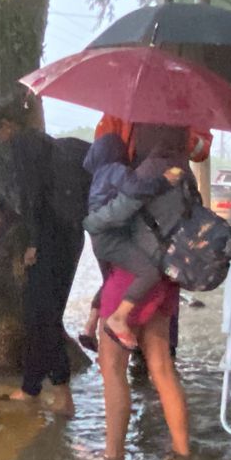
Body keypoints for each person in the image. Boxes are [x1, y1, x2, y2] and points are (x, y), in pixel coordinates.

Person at [85, 124, 195, 460]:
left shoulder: (145, 171)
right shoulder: (185, 174)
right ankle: (182, 452)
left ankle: (113, 456)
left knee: (112, 368)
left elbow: (119, 216)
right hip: (165, 277)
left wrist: (93, 222)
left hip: (129, 280)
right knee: (161, 368)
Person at [0, 97, 91, 413]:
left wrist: (33, 242)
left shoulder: (23, 144)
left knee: (41, 317)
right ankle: (31, 387)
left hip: (48, 239)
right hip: (71, 236)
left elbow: (32, 197)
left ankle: (63, 394)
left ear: (8, 125)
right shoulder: (48, 145)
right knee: (42, 313)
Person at [81, 133, 186, 350]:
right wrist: (164, 181)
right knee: (149, 272)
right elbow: (136, 191)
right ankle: (119, 318)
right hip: (111, 236)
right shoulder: (116, 170)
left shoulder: (99, 174)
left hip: (99, 239)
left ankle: (90, 326)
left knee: (108, 278)